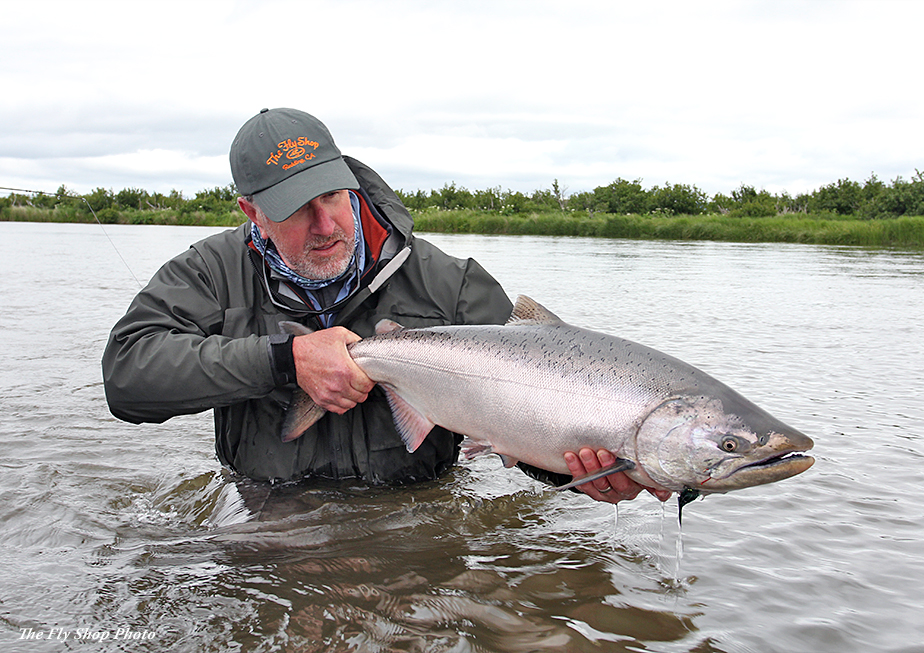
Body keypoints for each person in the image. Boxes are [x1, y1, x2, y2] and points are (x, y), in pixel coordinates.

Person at [102, 107, 666, 504]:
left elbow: (522, 409)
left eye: (331, 196)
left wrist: (584, 469)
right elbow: (128, 377)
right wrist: (284, 360)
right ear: (253, 213)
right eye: (298, 209)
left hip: (417, 513)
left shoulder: (449, 283)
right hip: (265, 519)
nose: (325, 224)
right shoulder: (208, 272)